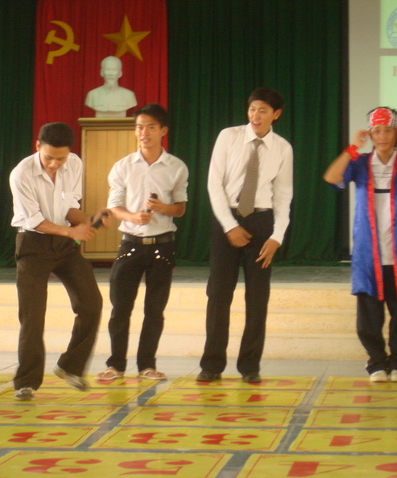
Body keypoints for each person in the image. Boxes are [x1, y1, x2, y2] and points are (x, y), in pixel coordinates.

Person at [323, 107, 397, 383]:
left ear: (396, 133)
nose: (382, 136)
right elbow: (332, 177)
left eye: (388, 130)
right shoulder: (360, 162)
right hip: (368, 255)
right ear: (370, 134)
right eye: (376, 131)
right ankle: (376, 363)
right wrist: (352, 148)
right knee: (368, 319)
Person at [198, 87, 293, 384]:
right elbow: (214, 184)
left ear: (276, 114)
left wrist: (277, 236)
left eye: (263, 110)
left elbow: (284, 195)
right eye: (252, 109)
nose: (256, 115)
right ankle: (212, 364)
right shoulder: (229, 136)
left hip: (262, 223)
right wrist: (229, 226)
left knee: (257, 297)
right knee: (218, 294)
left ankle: (250, 365)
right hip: (226, 220)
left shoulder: (283, 148)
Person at [9, 122, 107, 401]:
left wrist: (89, 220)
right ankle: (26, 382)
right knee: (32, 315)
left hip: (64, 246)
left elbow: (69, 208)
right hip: (32, 244)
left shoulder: (74, 164)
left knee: (91, 303)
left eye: (60, 158)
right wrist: (71, 232)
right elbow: (35, 220)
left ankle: (70, 366)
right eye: (49, 157)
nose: (54, 164)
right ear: (37, 147)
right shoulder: (21, 173)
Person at [96, 104, 188, 382]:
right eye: (139, 127)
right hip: (130, 244)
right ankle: (115, 365)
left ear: (163, 131)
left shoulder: (176, 167)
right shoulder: (123, 166)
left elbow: (181, 209)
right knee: (120, 308)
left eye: (150, 127)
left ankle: (147, 365)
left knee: (155, 310)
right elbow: (114, 206)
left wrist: (162, 208)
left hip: (163, 245)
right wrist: (133, 216)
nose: (144, 133)